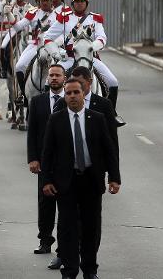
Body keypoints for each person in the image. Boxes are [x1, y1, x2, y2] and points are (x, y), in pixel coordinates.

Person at [41, 79, 121, 279]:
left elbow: (108, 150)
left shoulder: (98, 118)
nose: (73, 96)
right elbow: (48, 153)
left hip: (91, 181)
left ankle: (90, 270)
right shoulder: (56, 120)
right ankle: (69, 270)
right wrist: (47, 181)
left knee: (90, 228)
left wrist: (114, 178)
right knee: (67, 228)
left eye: (76, 92)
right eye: (69, 93)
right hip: (65, 183)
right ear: (65, 96)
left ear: (84, 93)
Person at [43, 0, 119, 107]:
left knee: (113, 81)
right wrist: (56, 53)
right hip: (69, 58)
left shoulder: (94, 18)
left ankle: (111, 113)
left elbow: (102, 38)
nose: (79, 3)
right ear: (73, 4)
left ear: (86, 3)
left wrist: (91, 47)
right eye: (77, 1)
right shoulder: (65, 18)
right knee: (48, 83)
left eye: (82, 1)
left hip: (90, 58)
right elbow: (48, 37)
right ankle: (50, 112)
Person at [27, 64, 66, 269]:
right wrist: (33, 158)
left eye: (57, 75)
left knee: (66, 205)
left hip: (66, 163)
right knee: (45, 202)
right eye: (51, 75)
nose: (53, 78)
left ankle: (65, 245)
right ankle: (45, 240)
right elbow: (32, 132)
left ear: (64, 78)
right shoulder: (37, 102)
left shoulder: (72, 100)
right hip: (44, 162)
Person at [54, 66, 121, 156]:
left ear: (89, 82)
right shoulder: (62, 103)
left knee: (112, 81)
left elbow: (112, 140)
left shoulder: (104, 104)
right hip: (67, 59)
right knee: (52, 77)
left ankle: (113, 114)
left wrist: (114, 168)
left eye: (80, 83)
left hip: (90, 58)